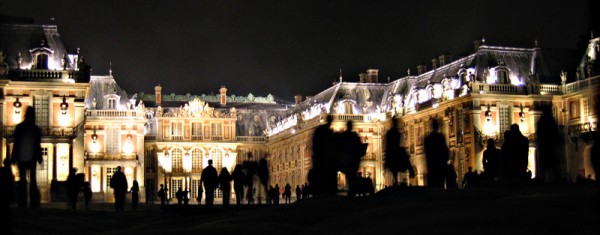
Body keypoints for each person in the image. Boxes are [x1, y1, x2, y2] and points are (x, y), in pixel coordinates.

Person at [11, 106, 43, 208]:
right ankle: (33, 202)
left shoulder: (19, 127)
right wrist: (40, 157)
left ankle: (22, 201)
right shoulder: (35, 129)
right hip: (32, 157)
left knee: (22, 180)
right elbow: (38, 145)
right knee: (33, 179)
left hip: (21, 157)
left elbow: (16, 144)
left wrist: (13, 157)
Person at [309, 115, 338, 196]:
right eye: (330, 121)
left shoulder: (324, 130)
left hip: (323, 155)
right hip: (322, 155)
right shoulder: (323, 130)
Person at [339, 121, 367, 197]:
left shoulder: (345, 135)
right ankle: (352, 191)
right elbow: (359, 147)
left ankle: (351, 191)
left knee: (350, 176)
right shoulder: (354, 136)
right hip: (352, 160)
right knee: (352, 176)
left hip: (347, 160)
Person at [424, 119, 449, 188]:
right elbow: (445, 150)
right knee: (440, 185)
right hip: (440, 164)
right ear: (437, 126)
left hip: (431, 166)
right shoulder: (441, 137)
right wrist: (446, 160)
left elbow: (426, 152)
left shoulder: (428, 138)